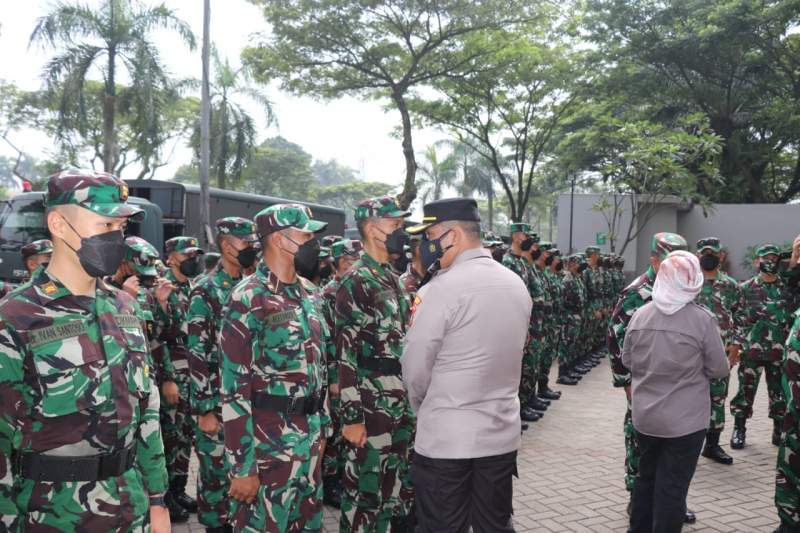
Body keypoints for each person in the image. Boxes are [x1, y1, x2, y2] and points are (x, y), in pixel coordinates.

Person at [0, 170, 169, 531]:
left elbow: (147, 411)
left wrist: (158, 501)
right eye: (105, 224)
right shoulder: (15, 317)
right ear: (59, 224)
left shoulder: (125, 306)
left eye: (121, 228)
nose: (116, 238)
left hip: (130, 506)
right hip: (54, 515)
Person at [402, 198, 532, 533]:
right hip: (500, 436)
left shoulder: (440, 290)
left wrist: (427, 408)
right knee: (494, 525)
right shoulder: (516, 285)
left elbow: (415, 370)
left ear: (453, 235)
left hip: (447, 440)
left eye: (430, 235)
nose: (426, 246)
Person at [220, 203, 331, 532]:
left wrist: (323, 426)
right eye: (307, 235)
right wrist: (243, 466)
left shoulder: (311, 294)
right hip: (268, 447)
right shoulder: (248, 297)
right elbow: (233, 387)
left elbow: (318, 367)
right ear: (282, 240)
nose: (314, 243)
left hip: (309, 441)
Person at [623, 251, 728, 533]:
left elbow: (627, 361)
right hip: (685, 423)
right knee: (672, 488)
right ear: (694, 280)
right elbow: (719, 369)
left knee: (646, 480)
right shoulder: (702, 320)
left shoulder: (640, 315)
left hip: (646, 418)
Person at [335, 196, 414, 532]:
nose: (401, 230)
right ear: (370, 227)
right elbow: (345, 355)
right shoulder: (356, 280)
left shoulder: (392, 278)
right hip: (370, 405)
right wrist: (352, 418)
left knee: (390, 495)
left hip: (398, 402)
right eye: (394, 224)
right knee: (363, 497)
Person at [608, 232, 697, 524]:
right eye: (670, 261)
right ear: (653, 260)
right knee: (641, 454)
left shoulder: (685, 287)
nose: (678, 268)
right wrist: (627, 387)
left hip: (679, 392)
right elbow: (615, 340)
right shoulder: (636, 293)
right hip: (645, 391)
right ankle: (639, 504)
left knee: (675, 455)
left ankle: (671, 504)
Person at [188, 217, 259, 533]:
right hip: (216, 402)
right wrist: (203, 409)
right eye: (245, 242)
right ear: (226, 244)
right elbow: (197, 351)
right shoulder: (205, 289)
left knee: (246, 477)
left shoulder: (255, 286)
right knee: (216, 477)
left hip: (249, 401)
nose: (250, 248)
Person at [731, 244, 797, 449]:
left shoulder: (786, 287)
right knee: (745, 391)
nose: (770, 261)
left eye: (773, 258)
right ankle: (739, 429)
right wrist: (737, 345)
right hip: (752, 350)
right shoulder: (745, 288)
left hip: (778, 350)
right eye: (765, 258)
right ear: (757, 261)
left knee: (779, 393)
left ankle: (778, 431)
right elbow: (738, 319)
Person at [157, 236, 205, 519]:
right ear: (172, 257)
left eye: (196, 255)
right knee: (169, 436)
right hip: (173, 374)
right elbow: (157, 337)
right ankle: (163, 497)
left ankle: (178, 489)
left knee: (185, 436)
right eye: (188, 254)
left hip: (192, 375)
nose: (193, 259)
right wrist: (167, 377)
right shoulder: (159, 287)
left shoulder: (192, 287)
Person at [692, 237, 744, 466]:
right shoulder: (688, 282)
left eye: (713, 252)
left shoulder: (731, 285)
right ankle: (688, 445)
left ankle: (712, 445)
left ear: (721, 255)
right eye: (704, 252)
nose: (709, 256)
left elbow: (741, 316)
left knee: (717, 397)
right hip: (691, 353)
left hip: (721, 352)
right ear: (697, 255)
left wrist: (735, 346)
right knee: (689, 398)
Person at [320, 238, 364, 508]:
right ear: (335, 264)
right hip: (337, 373)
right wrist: (334, 376)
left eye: (356, 261)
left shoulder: (360, 288)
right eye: (348, 261)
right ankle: (331, 483)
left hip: (357, 369)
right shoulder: (328, 294)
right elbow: (328, 339)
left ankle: (347, 478)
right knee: (335, 432)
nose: (353, 266)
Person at [502, 223, 541, 426]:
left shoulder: (522, 263)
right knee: (516, 369)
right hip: (515, 323)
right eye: (525, 234)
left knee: (527, 366)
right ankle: (517, 410)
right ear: (517, 236)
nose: (528, 239)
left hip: (527, 322)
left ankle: (526, 403)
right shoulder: (508, 262)